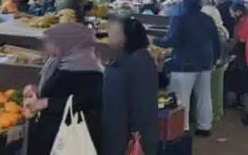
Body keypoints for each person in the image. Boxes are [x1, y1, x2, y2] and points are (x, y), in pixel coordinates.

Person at [22, 23, 104, 155]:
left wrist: (46, 103)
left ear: (65, 44)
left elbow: (87, 101)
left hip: (70, 136)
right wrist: (36, 89)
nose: (46, 46)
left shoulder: (89, 70)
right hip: (50, 131)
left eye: (50, 43)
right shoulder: (59, 61)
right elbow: (55, 88)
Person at [153, 0, 221, 136]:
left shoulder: (179, 19)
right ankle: (204, 127)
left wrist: (155, 41)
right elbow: (216, 41)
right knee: (204, 96)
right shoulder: (208, 19)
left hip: (184, 64)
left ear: (184, 4)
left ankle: (182, 129)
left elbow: (173, 40)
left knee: (181, 98)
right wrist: (214, 60)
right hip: (205, 63)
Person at [103, 16, 159, 155]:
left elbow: (142, 101)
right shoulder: (128, 58)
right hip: (120, 132)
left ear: (127, 36)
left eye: (114, 33)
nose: (109, 38)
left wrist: (136, 134)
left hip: (128, 137)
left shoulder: (137, 62)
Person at [201, 3, 230, 123]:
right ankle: (215, 112)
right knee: (216, 89)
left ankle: (215, 114)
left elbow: (216, 49)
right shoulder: (222, 29)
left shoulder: (216, 31)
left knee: (214, 90)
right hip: (221, 63)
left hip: (216, 64)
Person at [224, 2, 248, 108]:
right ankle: (241, 99)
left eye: (232, 12)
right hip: (245, 51)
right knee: (241, 76)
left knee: (242, 77)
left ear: (239, 11)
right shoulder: (247, 18)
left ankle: (243, 101)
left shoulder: (245, 20)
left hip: (243, 52)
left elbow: (242, 39)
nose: (231, 15)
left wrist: (232, 50)